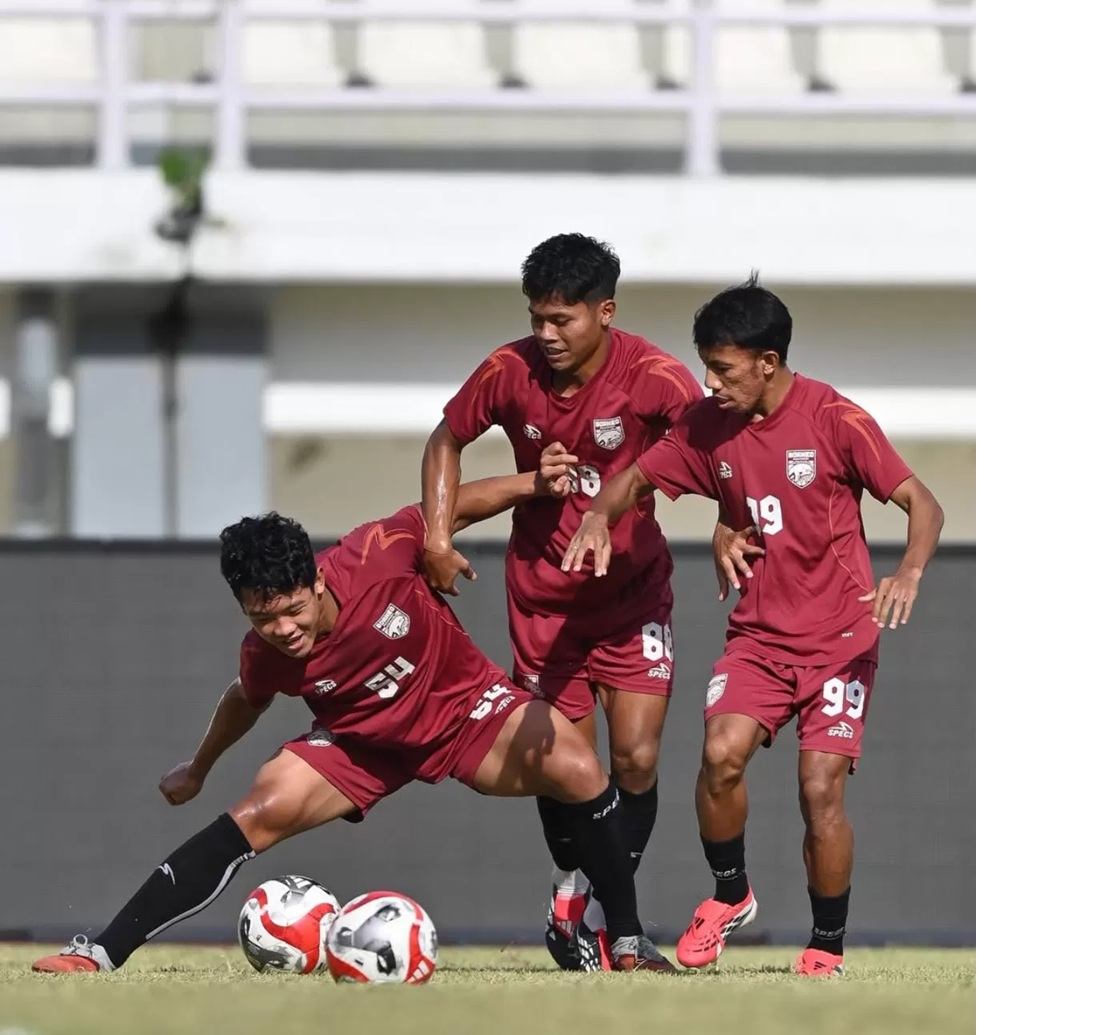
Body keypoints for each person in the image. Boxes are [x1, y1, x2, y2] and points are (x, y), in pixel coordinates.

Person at [31, 458, 673, 976]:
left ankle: (625, 938)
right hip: (361, 745)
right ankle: (102, 952)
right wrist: (198, 769)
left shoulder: (377, 552)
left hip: (464, 711)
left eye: (291, 610)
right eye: (262, 618)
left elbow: (448, 509)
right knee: (259, 810)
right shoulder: (267, 652)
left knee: (580, 768)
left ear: (314, 581)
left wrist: (533, 483)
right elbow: (242, 701)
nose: (282, 630)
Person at [562, 275, 945, 977]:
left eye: (723, 368)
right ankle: (731, 893)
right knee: (718, 755)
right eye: (706, 364)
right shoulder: (710, 424)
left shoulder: (835, 419)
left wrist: (910, 571)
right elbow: (636, 480)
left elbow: (923, 501)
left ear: (768, 362)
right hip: (759, 641)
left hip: (839, 642)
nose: (709, 381)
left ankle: (826, 942)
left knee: (819, 788)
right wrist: (597, 516)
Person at [420, 233, 705, 969]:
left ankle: (595, 906)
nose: (545, 334)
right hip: (545, 598)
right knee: (568, 764)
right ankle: (597, 906)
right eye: (537, 317)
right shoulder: (508, 369)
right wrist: (436, 536)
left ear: (604, 312)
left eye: (562, 320)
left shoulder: (657, 377)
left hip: (633, 595)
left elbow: (714, 451)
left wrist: (732, 519)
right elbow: (444, 441)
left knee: (636, 758)